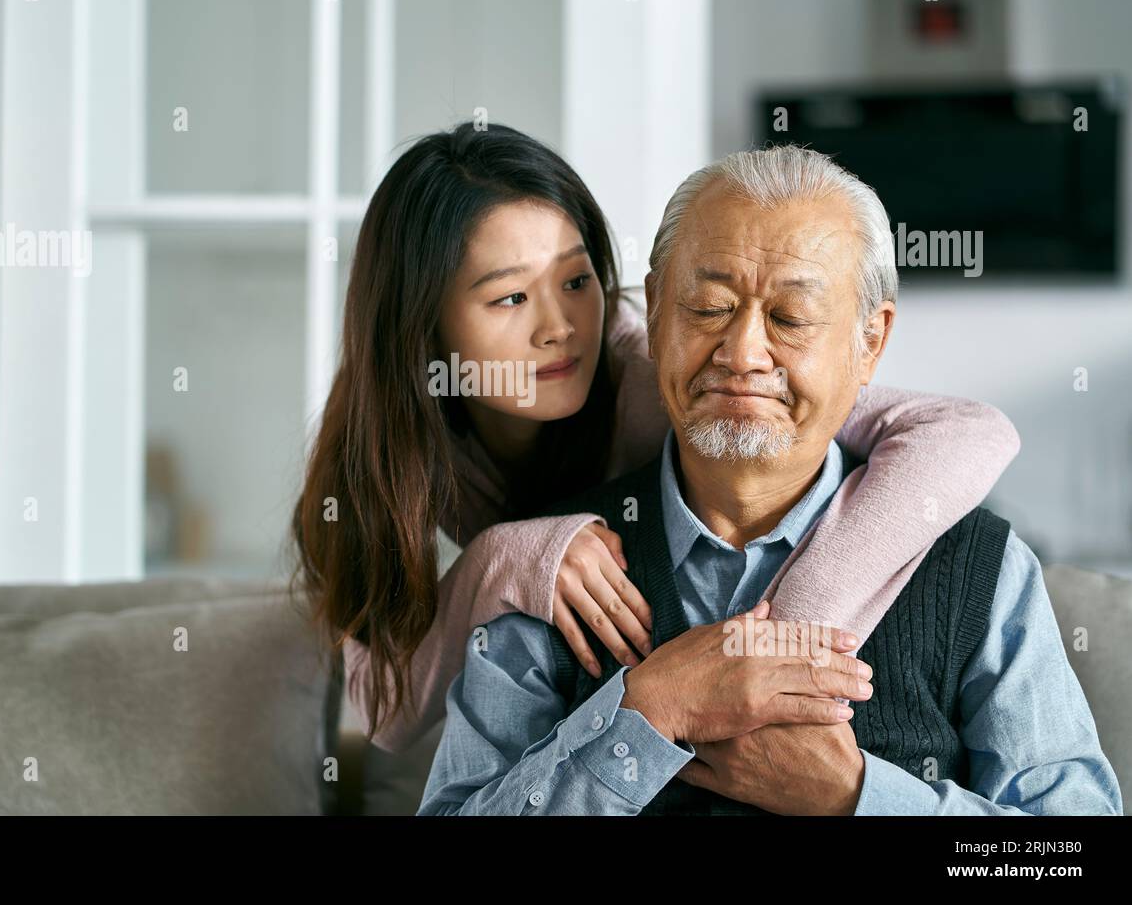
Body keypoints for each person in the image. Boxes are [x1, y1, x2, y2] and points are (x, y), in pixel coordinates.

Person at [417, 145, 1121, 815]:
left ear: (869, 340)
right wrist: (643, 713)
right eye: (709, 308)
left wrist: (855, 798)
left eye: (791, 317)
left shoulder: (981, 571)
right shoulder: (556, 581)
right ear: (656, 311)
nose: (743, 352)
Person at [290, 123, 1019, 755]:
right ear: (423, 324)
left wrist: (792, 630)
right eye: (510, 297)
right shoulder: (379, 447)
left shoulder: (653, 369)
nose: (559, 325)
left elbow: (967, 430)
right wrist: (500, 558)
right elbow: (382, 714)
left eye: (576, 281)